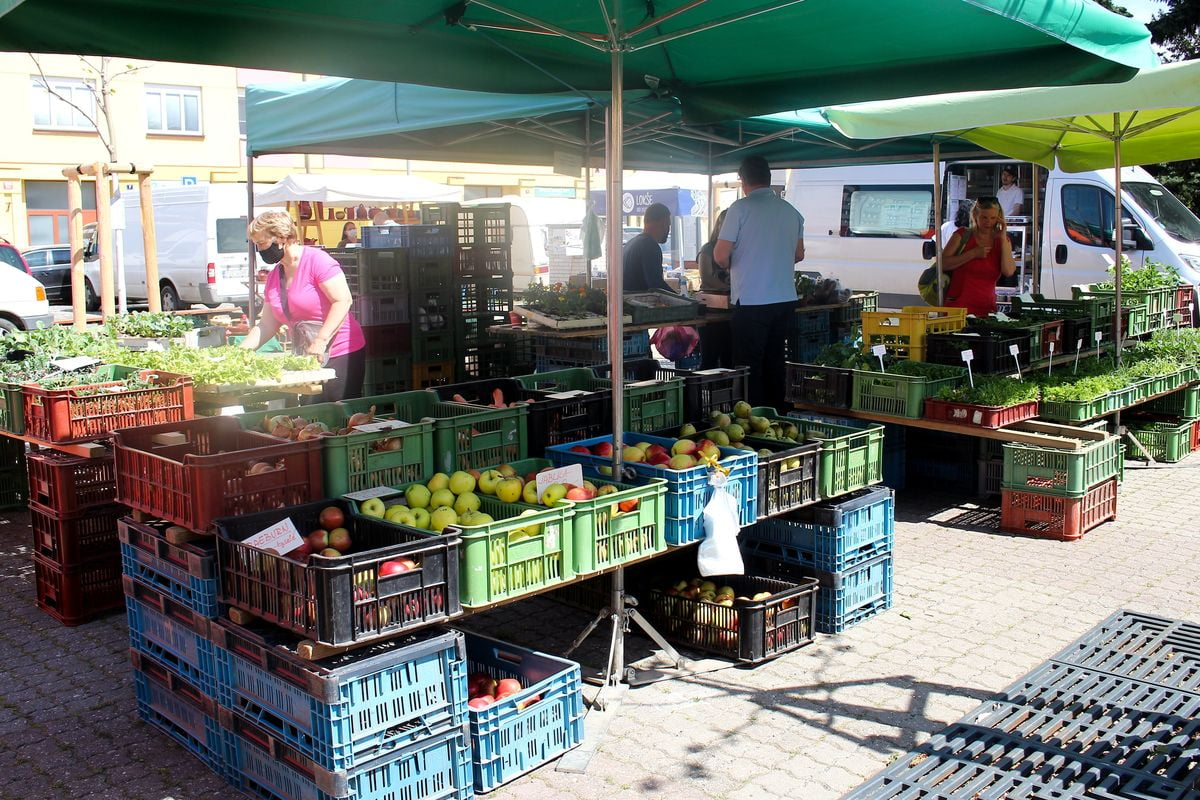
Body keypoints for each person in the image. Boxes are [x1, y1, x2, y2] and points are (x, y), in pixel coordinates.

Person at [240, 210, 366, 402]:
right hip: (307, 357)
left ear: (282, 237)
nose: (260, 250)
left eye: (262, 243)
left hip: (340, 353)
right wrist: (240, 352)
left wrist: (321, 340)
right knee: (310, 418)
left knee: (336, 418)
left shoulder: (318, 261)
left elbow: (343, 300)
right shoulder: (275, 276)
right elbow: (266, 325)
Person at [713, 156, 804, 409]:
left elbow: (720, 255)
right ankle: (777, 414)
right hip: (785, 298)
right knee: (775, 359)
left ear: (743, 180)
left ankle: (752, 417)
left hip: (753, 300)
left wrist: (732, 264)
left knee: (749, 365)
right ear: (769, 178)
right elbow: (798, 254)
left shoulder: (740, 209)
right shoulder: (791, 211)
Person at [940, 197, 1017, 317]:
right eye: (984, 217)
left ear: (999, 218)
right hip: (958, 308)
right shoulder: (962, 235)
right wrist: (972, 254)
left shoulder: (1002, 241)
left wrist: (1002, 237)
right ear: (975, 215)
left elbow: (1008, 271)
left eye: (993, 218)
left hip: (987, 308)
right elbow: (942, 263)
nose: (988, 222)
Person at [697, 209, 733, 368]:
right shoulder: (707, 249)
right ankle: (706, 392)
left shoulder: (737, 249)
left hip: (732, 313)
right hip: (711, 313)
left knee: (730, 359)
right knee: (709, 359)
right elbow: (707, 279)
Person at [622, 202, 672, 293]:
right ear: (658, 223)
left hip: (627, 302)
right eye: (666, 224)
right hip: (639, 303)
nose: (667, 229)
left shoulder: (631, 243)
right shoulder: (650, 246)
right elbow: (656, 286)